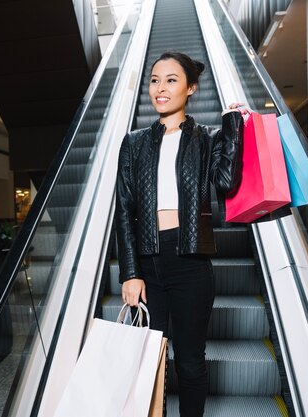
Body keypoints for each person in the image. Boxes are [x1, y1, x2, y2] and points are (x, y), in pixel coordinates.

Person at [115, 51, 249, 417]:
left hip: (189, 260)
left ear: (190, 88)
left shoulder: (206, 138)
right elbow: (124, 210)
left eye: (171, 80)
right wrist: (130, 272)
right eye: (155, 80)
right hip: (147, 261)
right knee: (148, 360)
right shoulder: (134, 142)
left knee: (189, 361)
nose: (160, 88)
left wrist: (233, 125)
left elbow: (226, 181)